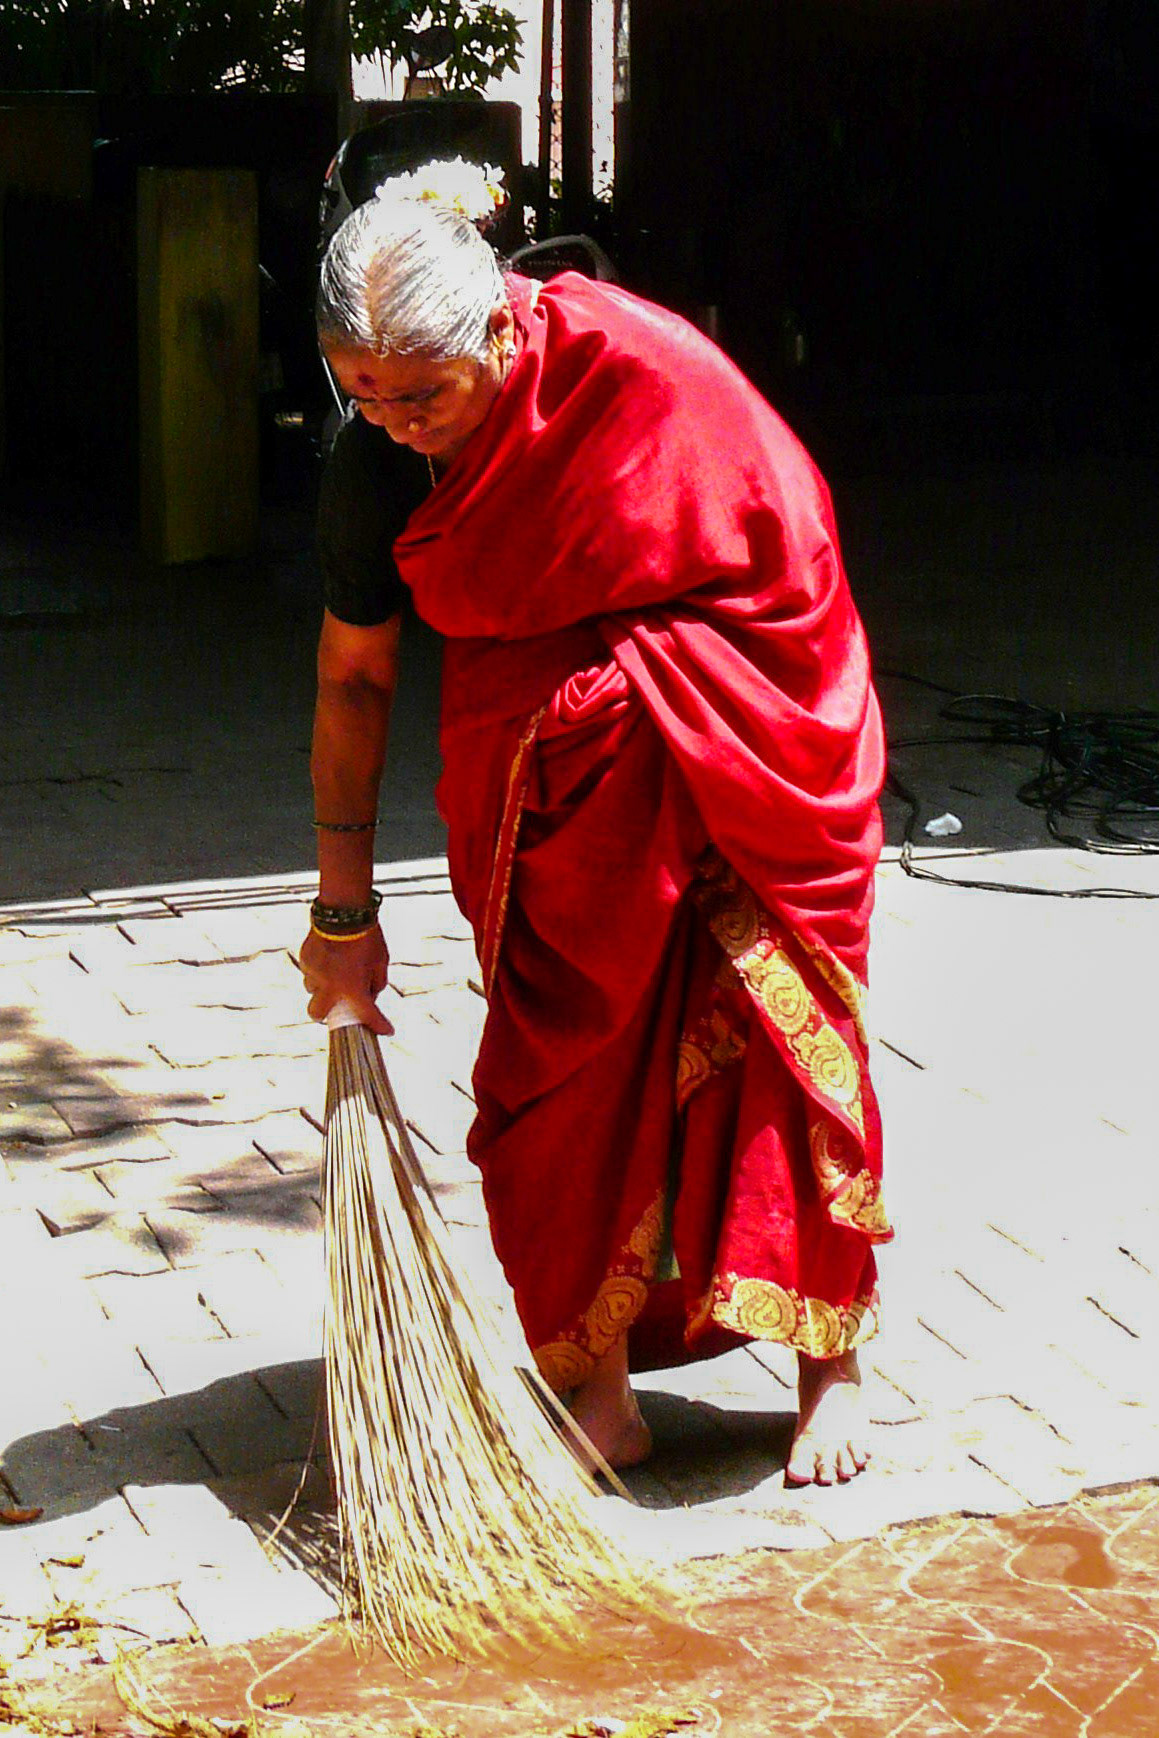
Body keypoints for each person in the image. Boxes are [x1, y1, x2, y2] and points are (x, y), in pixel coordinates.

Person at [299, 162, 892, 1487]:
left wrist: (674, 701)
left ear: (500, 334)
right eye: (364, 391)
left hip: (740, 735)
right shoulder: (370, 469)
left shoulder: (648, 373)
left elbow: (787, 546)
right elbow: (352, 677)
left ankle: (827, 1367)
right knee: (558, 1078)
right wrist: (344, 917)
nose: (392, 420)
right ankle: (601, 1388)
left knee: (768, 1030)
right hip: (545, 788)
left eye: (422, 393)